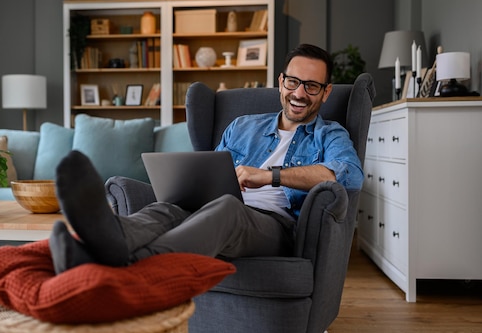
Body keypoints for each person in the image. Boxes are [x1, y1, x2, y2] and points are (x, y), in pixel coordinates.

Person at [49, 43, 364, 274]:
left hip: (275, 227)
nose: (299, 93)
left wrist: (270, 176)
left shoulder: (330, 135)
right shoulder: (242, 126)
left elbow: (347, 175)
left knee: (227, 208)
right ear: (281, 82)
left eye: (311, 86)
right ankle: (106, 238)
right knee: (169, 208)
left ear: (325, 92)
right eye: (293, 82)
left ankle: (131, 267)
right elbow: (211, 177)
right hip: (217, 208)